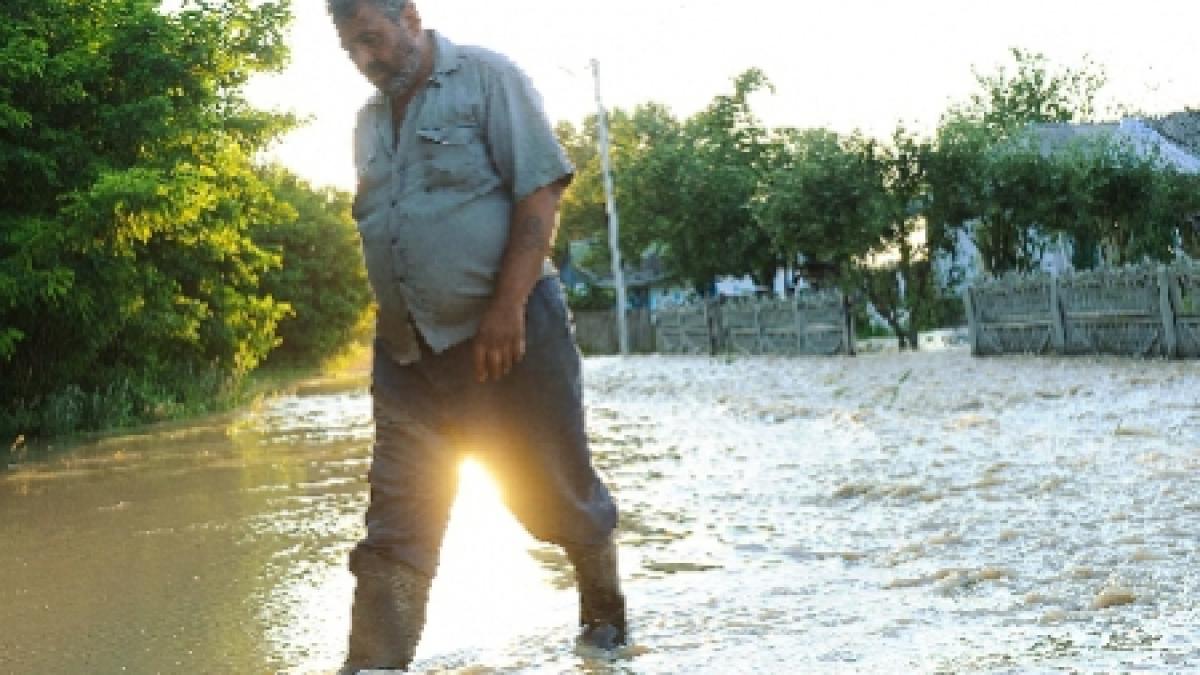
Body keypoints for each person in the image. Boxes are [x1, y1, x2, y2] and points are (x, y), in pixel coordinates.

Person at [326, 0, 626, 671]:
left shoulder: (489, 79)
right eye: (351, 49)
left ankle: (605, 617)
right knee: (396, 525)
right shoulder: (367, 123)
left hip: (510, 335)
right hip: (407, 353)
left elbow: (540, 192)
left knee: (550, 490)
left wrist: (506, 307)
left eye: (372, 39)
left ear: (408, 16)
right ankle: (372, 664)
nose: (365, 61)